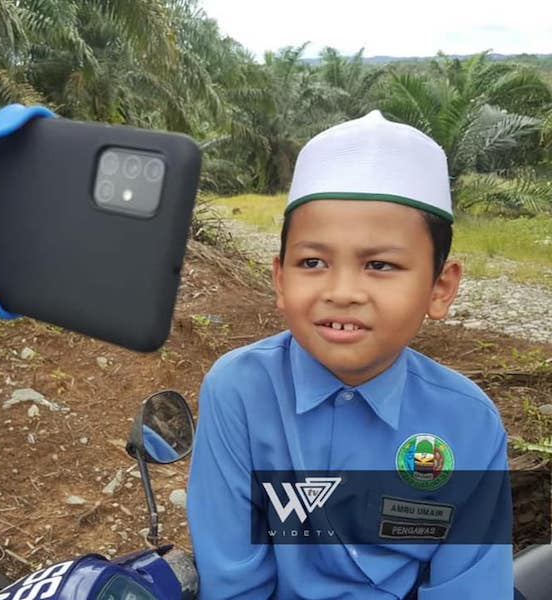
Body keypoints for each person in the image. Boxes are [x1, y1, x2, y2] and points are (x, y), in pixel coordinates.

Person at [186, 111, 513, 599]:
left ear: (439, 288)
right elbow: (233, 580)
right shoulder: (239, 391)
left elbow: (470, 588)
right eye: (312, 262)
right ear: (280, 279)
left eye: (380, 265)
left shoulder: (469, 423)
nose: (342, 292)